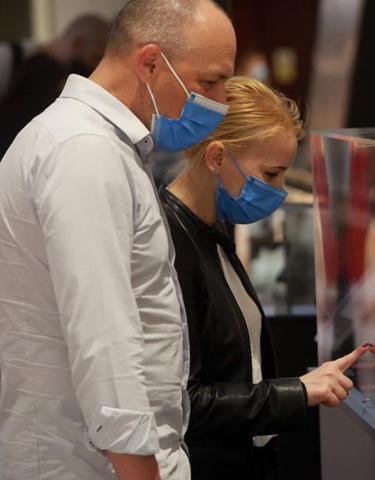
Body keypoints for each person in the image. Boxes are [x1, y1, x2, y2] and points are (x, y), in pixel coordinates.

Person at [0, 1, 237, 479]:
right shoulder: (83, 151)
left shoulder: (98, 144)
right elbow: (103, 337)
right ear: (150, 62)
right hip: (90, 464)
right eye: (209, 82)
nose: (220, 100)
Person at [160, 76, 366, 480]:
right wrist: (300, 391)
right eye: (271, 175)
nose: (280, 191)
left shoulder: (211, 233)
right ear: (217, 157)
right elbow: (186, 402)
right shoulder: (172, 246)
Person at [0, 15, 110, 156]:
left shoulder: (63, 72)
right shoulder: (9, 57)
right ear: (76, 43)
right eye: (94, 58)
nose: (95, 67)